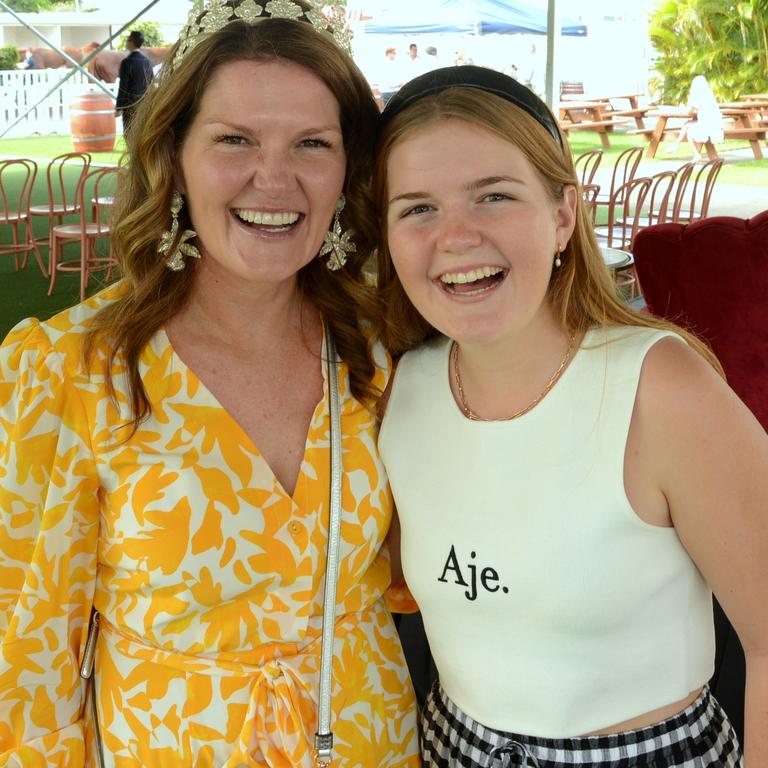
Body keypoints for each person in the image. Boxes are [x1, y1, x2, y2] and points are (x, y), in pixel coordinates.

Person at [0, 2, 420, 765]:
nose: (275, 178)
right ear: (173, 153)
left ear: (349, 166)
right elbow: (24, 664)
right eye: (234, 139)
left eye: (312, 144)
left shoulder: (386, 349)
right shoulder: (69, 369)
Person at [372, 65, 768, 766]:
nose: (456, 237)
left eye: (493, 195)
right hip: (447, 748)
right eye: (417, 208)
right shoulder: (399, 381)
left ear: (563, 214)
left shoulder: (661, 386)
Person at [667, 75, 724, 161]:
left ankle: (691, 152)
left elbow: (689, 111)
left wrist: (682, 108)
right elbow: (700, 109)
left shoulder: (697, 95)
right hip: (716, 125)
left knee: (688, 128)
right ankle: (676, 145)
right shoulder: (709, 94)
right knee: (688, 125)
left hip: (707, 126)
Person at [115, 30, 154, 132]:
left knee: (129, 133)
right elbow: (151, 82)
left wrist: (119, 107)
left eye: (128, 40)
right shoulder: (147, 61)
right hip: (145, 104)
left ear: (132, 42)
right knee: (142, 133)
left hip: (130, 105)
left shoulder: (127, 62)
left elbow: (123, 86)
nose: (126, 42)